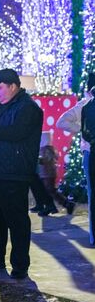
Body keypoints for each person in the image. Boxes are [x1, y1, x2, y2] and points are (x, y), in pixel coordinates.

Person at [0, 69, 43, 280]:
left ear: (13, 86)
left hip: (14, 172)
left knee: (17, 221)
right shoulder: (1, 106)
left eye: (0, 87)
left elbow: (17, 132)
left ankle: (20, 265)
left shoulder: (27, 108)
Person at [57, 73, 95, 246]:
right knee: (92, 193)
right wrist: (83, 129)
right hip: (90, 151)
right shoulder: (84, 105)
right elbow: (61, 122)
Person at [37, 131, 75, 216]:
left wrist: (38, 159)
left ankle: (67, 204)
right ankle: (53, 206)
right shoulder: (46, 149)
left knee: (51, 191)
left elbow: (46, 160)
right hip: (45, 174)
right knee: (49, 191)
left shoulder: (46, 149)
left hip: (48, 174)